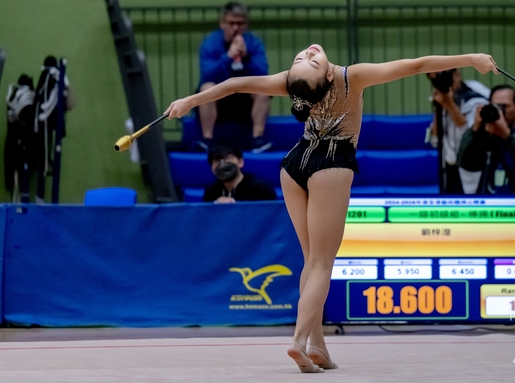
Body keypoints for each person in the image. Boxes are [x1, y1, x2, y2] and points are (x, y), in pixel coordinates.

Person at [166, 45, 497, 373]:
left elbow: (235, 84)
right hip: (331, 164)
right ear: (325, 75)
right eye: (305, 60)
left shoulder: (292, 81)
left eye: (304, 58)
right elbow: (414, 65)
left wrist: (189, 101)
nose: (308, 54)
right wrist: (470, 58)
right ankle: (298, 341)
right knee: (322, 263)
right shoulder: (352, 76)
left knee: (311, 261)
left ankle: (317, 345)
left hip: (293, 166)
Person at [198, 1, 271, 152]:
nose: (236, 28)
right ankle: (207, 141)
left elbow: (263, 73)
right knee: (206, 88)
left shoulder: (254, 43)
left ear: (246, 24)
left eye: (240, 23)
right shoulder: (210, 43)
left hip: (245, 96)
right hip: (220, 95)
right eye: (231, 23)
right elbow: (207, 75)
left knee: (264, 90)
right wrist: (228, 57)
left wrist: (246, 58)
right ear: (222, 23)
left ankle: (258, 140)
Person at [457, 85, 515, 198]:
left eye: (504, 106)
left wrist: (507, 135)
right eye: (495, 106)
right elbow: (466, 163)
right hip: (492, 202)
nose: (500, 111)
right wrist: (475, 129)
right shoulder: (488, 135)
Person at [426, 69, 490, 194]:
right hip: (450, 165)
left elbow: (469, 134)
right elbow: (435, 140)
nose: (440, 81)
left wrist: (449, 104)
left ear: (457, 74)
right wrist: (439, 106)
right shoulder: (441, 95)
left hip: (474, 163)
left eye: (444, 75)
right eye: (434, 79)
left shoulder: (475, 93)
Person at [203, 143, 276, 203]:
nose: (223, 163)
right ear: (212, 168)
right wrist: (215, 205)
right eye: (217, 160)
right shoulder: (210, 193)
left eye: (227, 158)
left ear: (240, 162)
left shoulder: (260, 189)